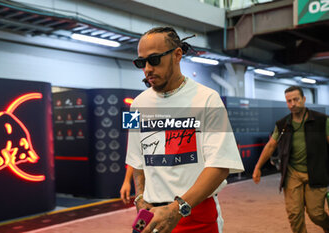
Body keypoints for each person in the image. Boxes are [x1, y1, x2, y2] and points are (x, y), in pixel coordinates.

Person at [126, 26, 244, 233]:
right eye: (141, 62)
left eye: (154, 60)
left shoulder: (208, 99)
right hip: (152, 214)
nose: (147, 69)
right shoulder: (136, 105)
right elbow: (137, 159)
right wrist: (140, 196)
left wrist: (177, 209)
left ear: (177, 54)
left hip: (194, 213)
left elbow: (220, 166)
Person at [252, 86, 329, 233]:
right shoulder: (283, 125)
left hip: (317, 172)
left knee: (316, 214)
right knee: (294, 214)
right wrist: (258, 167)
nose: (292, 104)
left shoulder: (321, 121)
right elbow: (270, 146)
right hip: (292, 174)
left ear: (304, 99)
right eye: (289, 101)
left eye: (296, 99)